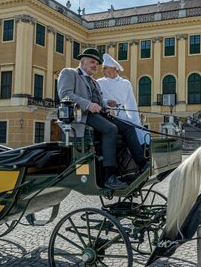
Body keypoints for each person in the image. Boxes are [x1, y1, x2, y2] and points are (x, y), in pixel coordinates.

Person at [57, 48, 148, 190]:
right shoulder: (69, 73)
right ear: (82, 61)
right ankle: (109, 177)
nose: (95, 66)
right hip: (81, 115)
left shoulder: (94, 82)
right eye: (92, 62)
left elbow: (97, 102)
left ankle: (142, 164)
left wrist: (106, 106)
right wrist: (88, 104)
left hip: (98, 114)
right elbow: (65, 94)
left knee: (128, 126)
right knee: (111, 129)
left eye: (97, 64)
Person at [96, 53, 145, 144]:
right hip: (106, 115)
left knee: (140, 131)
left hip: (122, 115)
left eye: (105, 68)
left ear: (113, 68)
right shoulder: (99, 82)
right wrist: (106, 102)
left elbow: (131, 104)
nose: (102, 70)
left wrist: (136, 122)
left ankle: (143, 153)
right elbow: (96, 100)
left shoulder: (126, 83)